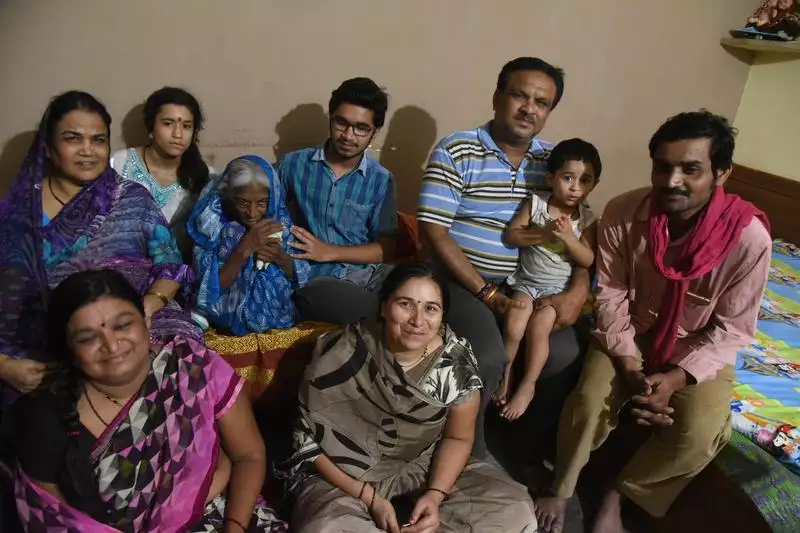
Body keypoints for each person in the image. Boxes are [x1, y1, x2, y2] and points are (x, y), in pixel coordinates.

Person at [534, 111, 771, 533]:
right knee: (589, 403)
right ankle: (562, 486)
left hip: (696, 346)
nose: (672, 180)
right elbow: (610, 294)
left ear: (722, 173)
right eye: (663, 166)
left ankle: (619, 493)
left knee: (702, 431)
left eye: (690, 169)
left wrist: (676, 380)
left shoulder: (748, 238)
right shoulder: (624, 212)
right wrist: (628, 364)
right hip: (631, 331)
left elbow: (731, 329)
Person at [13, 269, 288, 532]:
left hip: (229, 515)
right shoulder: (47, 421)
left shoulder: (191, 365)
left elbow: (248, 455)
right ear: (69, 351)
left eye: (123, 325)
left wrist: (235, 528)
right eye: (87, 338)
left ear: (146, 321)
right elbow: (57, 522)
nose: (111, 345)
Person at [279, 262, 537, 533]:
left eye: (431, 308)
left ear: (442, 316)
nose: (418, 320)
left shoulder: (453, 364)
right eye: (405, 304)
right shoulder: (344, 351)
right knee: (326, 528)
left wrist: (435, 495)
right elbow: (308, 440)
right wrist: (370, 498)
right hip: (343, 470)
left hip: (419, 461)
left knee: (515, 512)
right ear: (383, 306)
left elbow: (458, 438)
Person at [416, 57, 589, 457]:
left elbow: (580, 235)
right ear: (497, 96)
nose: (530, 109)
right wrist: (487, 294)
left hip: (527, 286)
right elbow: (434, 232)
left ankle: (521, 450)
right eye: (520, 96)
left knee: (566, 353)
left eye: (542, 103)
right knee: (490, 354)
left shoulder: (555, 164)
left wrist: (577, 291)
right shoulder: (456, 150)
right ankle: (467, 457)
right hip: (459, 281)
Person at [0, 91, 200, 407]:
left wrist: (150, 303)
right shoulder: (17, 218)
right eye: (73, 139)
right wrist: (6, 366)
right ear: (49, 149)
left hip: (138, 324)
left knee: (181, 360)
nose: (88, 151)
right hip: (52, 341)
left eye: (98, 140)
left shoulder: (130, 198)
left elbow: (171, 265)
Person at [494, 138, 599, 421]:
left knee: (539, 328)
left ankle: (527, 385)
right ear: (552, 178)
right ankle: (505, 376)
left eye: (585, 180)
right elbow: (512, 235)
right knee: (515, 323)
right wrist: (543, 233)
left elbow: (588, 260)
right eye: (568, 178)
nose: (576, 187)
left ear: (594, 184)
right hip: (525, 282)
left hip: (557, 290)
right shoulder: (537, 204)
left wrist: (568, 238)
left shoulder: (587, 219)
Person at [279, 77, 397, 324]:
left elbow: (385, 249)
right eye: (341, 123)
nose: (348, 135)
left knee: (420, 289)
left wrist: (330, 251)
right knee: (373, 311)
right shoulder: (294, 164)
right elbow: (267, 214)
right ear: (331, 118)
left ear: (374, 132)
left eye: (361, 128)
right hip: (316, 277)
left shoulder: (381, 180)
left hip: (368, 276)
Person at [188, 155, 310, 335]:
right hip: (226, 327)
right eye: (243, 203)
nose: (252, 213)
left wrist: (280, 258)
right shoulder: (213, 231)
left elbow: (302, 277)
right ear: (230, 197)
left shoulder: (281, 225)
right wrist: (245, 248)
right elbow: (205, 293)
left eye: (262, 203)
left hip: (279, 325)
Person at [111, 87, 211, 260]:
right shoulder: (119, 164)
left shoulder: (204, 177)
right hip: (118, 269)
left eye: (186, 126)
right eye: (168, 123)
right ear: (151, 127)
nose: (178, 134)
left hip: (177, 275)